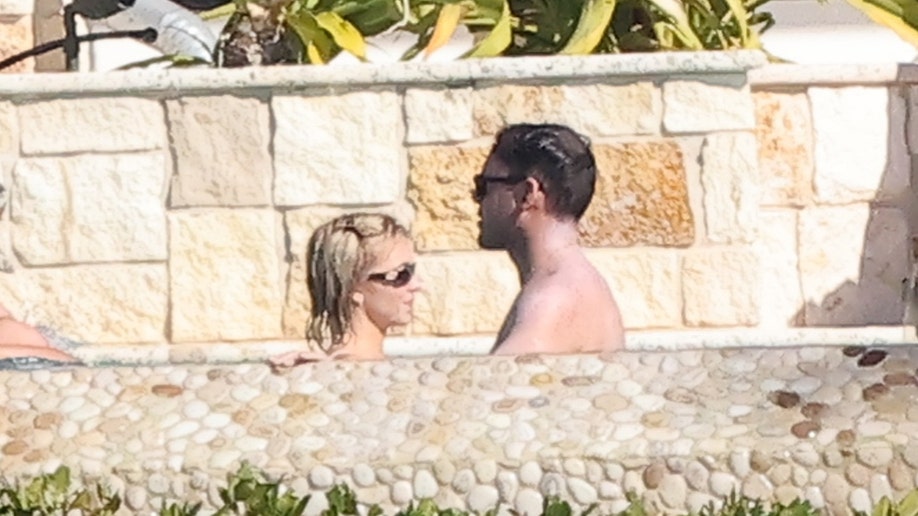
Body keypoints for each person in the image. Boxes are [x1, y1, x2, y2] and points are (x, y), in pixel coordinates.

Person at [473, 123, 625, 355]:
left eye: (483, 186)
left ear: (527, 194)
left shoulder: (552, 300)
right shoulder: (576, 282)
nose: (477, 200)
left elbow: (499, 379)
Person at [270, 213, 422, 367]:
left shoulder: (360, 366)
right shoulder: (347, 372)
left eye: (412, 270)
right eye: (399, 274)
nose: (416, 285)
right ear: (352, 287)